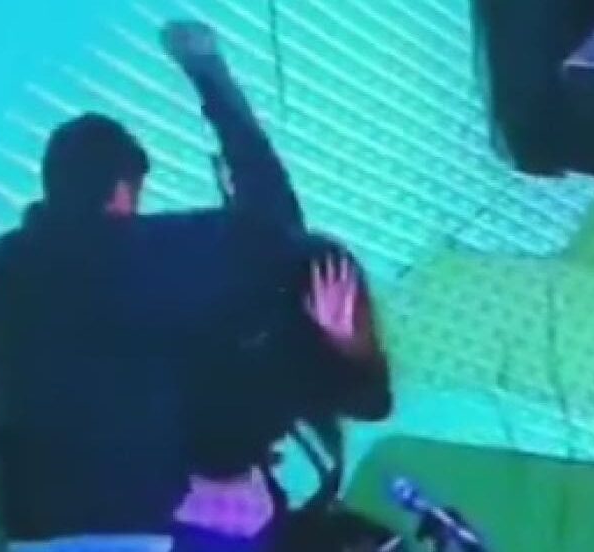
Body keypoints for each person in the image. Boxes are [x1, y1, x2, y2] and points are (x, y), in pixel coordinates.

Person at [163, 22, 392, 552]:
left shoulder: (293, 355)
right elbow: (250, 152)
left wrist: (349, 347)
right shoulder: (261, 247)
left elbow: (373, 401)